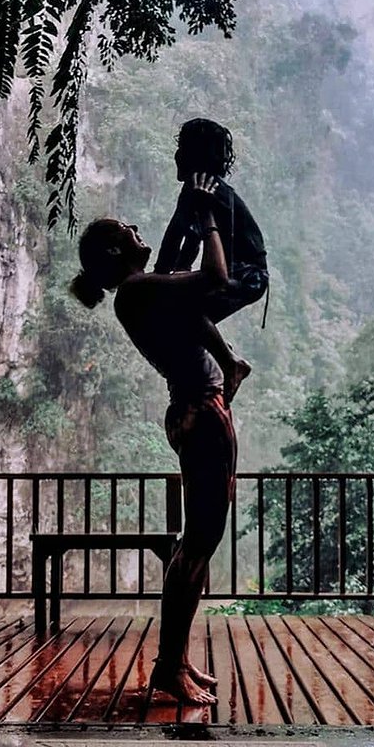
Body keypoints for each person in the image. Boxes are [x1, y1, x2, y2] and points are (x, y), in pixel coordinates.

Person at [70, 175, 236, 705]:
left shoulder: (142, 292)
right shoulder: (138, 291)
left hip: (193, 409)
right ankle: (168, 666)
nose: (137, 229)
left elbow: (177, 276)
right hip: (200, 413)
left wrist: (185, 210)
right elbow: (214, 274)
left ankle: (176, 661)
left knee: (196, 543)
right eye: (128, 228)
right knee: (199, 542)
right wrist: (208, 215)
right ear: (117, 249)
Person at [153, 118, 270, 402]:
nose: (177, 155)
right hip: (236, 271)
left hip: (246, 274)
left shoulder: (210, 190)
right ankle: (219, 353)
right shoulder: (199, 188)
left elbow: (179, 237)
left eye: (183, 148)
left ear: (194, 155)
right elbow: (186, 238)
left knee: (184, 312)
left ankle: (229, 362)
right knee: (181, 313)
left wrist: (157, 282)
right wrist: (165, 279)